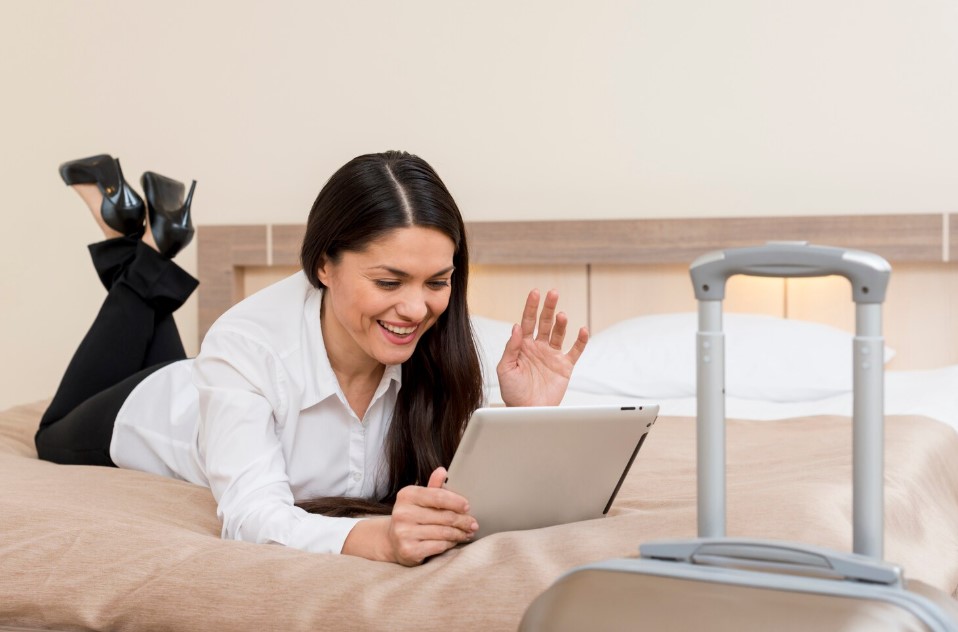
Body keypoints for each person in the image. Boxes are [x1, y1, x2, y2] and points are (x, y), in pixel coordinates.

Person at [36, 150, 589, 566]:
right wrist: (379, 539)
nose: (417, 308)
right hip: (157, 406)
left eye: (437, 282)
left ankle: (144, 235)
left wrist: (523, 416)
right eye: (389, 280)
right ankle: (148, 247)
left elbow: (473, 501)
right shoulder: (247, 345)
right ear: (324, 265)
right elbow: (250, 516)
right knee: (52, 433)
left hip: (209, 383)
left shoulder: (443, 352)